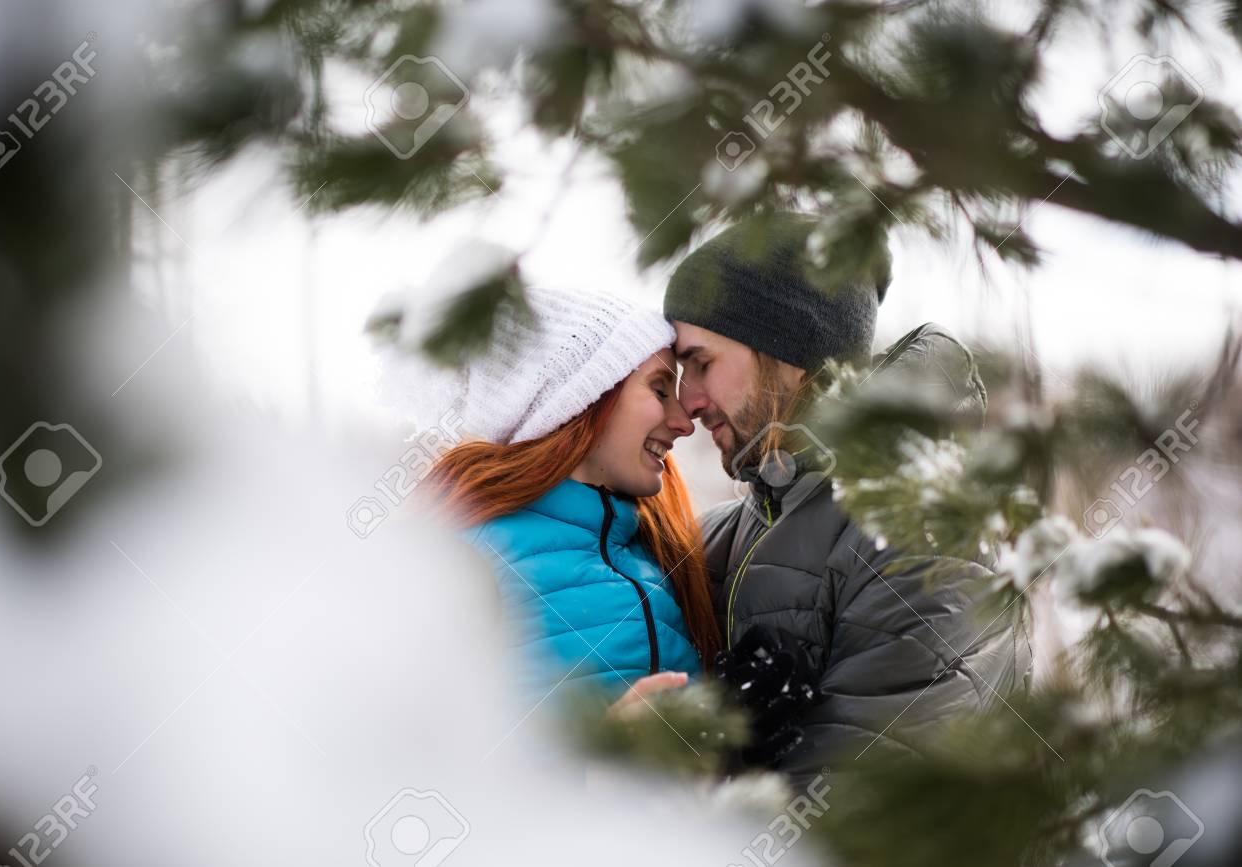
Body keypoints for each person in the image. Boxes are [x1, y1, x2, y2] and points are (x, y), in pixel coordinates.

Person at [662, 212, 1032, 782]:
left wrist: (721, 772)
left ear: (789, 352)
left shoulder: (914, 533)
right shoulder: (721, 533)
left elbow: (869, 803)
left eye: (701, 364)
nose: (688, 402)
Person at [425, 286, 721, 712]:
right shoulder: (460, 564)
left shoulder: (657, 551)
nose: (684, 422)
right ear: (581, 399)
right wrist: (603, 749)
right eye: (659, 390)